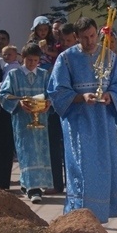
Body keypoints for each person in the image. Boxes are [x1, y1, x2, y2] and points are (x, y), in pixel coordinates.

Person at [47, 17, 117, 223]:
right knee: (82, 167)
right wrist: (81, 97)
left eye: (93, 36)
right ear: (76, 37)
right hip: (79, 123)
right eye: (84, 37)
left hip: (104, 121)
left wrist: (111, 95)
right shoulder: (66, 59)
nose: (90, 41)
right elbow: (57, 91)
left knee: (104, 166)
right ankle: (80, 218)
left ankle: (101, 217)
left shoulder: (110, 57)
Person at [0, 43, 54, 203]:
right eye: (29, 60)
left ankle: (31, 184)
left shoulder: (44, 75)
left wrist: (48, 104)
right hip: (22, 122)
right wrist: (19, 103)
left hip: (41, 121)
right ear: (23, 58)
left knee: (40, 153)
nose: (32, 63)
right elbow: (4, 94)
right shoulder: (14, 75)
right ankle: (33, 189)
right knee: (26, 152)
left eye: (35, 60)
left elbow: (51, 94)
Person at [43, 23, 76, 195]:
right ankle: (57, 184)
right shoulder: (57, 56)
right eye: (62, 40)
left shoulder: (81, 56)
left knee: (73, 149)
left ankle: (74, 185)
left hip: (77, 110)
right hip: (56, 108)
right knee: (55, 147)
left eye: (68, 40)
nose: (64, 43)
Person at [0, 29, 14, 190]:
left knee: (4, 144)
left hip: (4, 109)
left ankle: (3, 183)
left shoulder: (10, 62)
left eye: (2, 38)